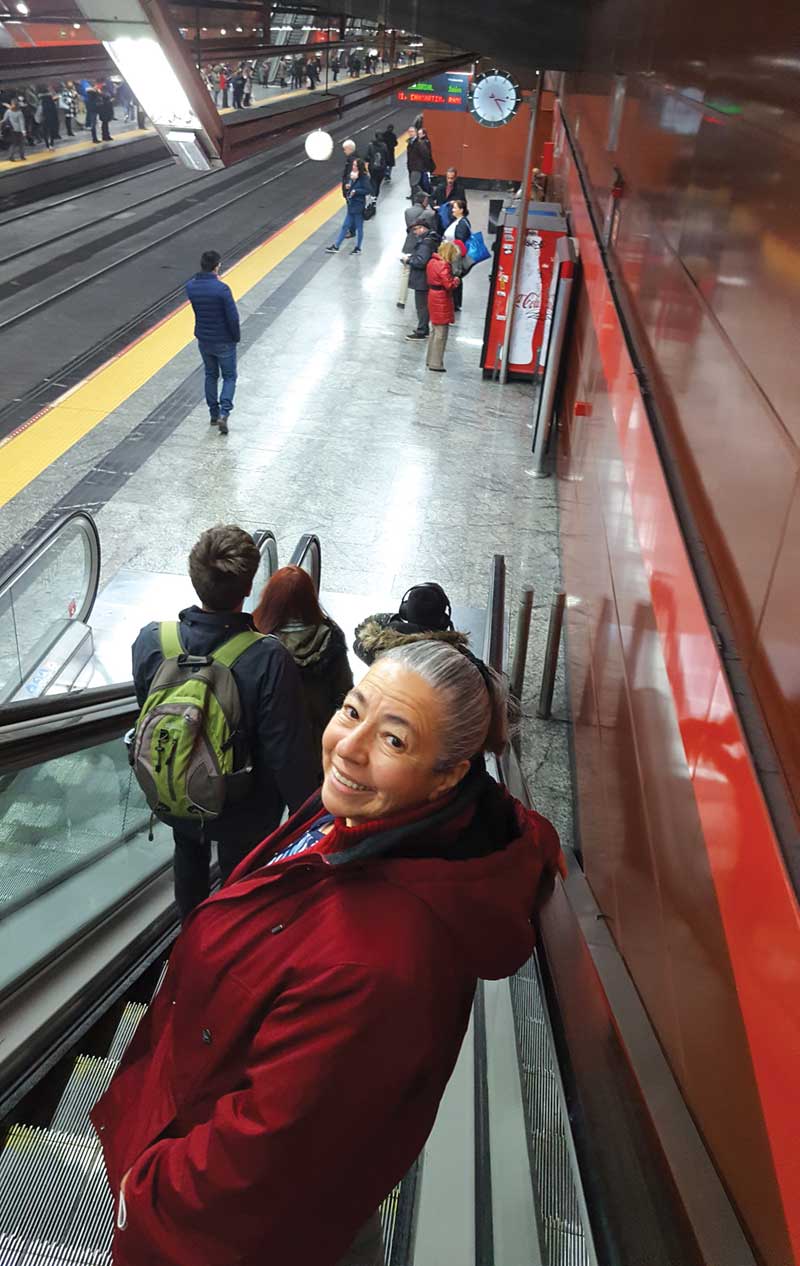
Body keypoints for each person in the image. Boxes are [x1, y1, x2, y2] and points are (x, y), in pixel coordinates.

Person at [91, 638, 563, 1266]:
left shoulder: (376, 965)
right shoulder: (360, 817)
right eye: (351, 710)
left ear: (450, 773)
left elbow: (256, 1167)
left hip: (199, 1215)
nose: (349, 745)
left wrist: (143, 1193)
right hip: (190, 1112)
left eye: (394, 740)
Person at [130, 525, 317, 921]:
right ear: (249, 587)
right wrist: (311, 821)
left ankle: (190, 933)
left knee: (188, 852)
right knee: (239, 874)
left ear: (194, 578)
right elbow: (287, 754)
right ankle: (225, 943)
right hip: (244, 807)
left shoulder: (152, 641)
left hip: (175, 789)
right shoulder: (268, 657)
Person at [253, 565, 353, 780]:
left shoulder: (255, 636)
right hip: (312, 740)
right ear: (310, 597)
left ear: (271, 599)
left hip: (264, 741)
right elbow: (344, 691)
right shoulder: (331, 636)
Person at [185, 250, 241, 433]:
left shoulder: (191, 287)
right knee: (229, 376)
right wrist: (235, 336)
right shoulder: (222, 289)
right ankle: (225, 413)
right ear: (216, 266)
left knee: (210, 375)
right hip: (224, 339)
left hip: (204, 339)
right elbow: (232, 317)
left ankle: (213, 414)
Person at [353, 582, 465, 665]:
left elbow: (360, 632)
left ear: (405, 610)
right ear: (442, 621)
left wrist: (397, 623)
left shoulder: (373, 645)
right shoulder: (452, 655)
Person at [398, 191, 437, 309]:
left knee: (405, 273)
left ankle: (401, 300)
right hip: (422, 246)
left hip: (409, 245)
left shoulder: (408, 211)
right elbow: (434, 229)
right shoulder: (429, 214)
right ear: (424, 200)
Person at [425, 242, 461, 373]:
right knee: (441, 332)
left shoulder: (432, 262)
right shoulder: (443, 265)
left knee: (434, 330)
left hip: (432, 295)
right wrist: (456, 280)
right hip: (441, 298)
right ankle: (436, 363)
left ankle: (430, 359)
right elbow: (449, 285)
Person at [326, 158, 371, 255]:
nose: (353, 167)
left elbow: (368, 190)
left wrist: (356, 191)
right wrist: (349, 188)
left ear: (359, 167)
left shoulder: (364, 178)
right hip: (351, 205)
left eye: (355, 165)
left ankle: (358, 247)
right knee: (345, 226)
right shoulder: (352, 176)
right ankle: (336, 245)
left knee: (359, 227)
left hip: (358, 206)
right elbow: (351, 186)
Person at [404, 221, 440, 340]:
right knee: (424, 305)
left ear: (423, 228)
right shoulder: (433, 238)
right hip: (429, 277)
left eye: (416, 229)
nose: (415, 232)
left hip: (422, 279)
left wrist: (408, 260)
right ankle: (424, 328)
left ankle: (422, 330)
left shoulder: (425, 243)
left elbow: (421, 261)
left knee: (422, 306)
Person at [444, 200, 471, 311]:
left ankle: (455, 302)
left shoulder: (462, 224)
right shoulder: (458, 221)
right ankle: (455, 301)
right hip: (452, 253)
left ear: (461, 210)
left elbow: (459, 242)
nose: (452, 210)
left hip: (455, 255)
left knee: (456, 275)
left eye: (455, 208)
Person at [406, 125, 435, 198]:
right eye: (409, 132)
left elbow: (426, 155)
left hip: (417, 167)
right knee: (415, 183)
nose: (410, 133)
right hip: (412, 167)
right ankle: (418, 196)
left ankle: (423, 197)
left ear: (415, 133)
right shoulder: (410, 142)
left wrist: (425, 166)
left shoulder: (420, 143)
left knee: (415, 184)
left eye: (412, 131)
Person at [366, 131, 388, 198]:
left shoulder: (370, 145)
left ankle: (373, 196)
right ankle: (376, 196)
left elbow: (366, 157)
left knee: (373, 181)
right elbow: (387, 156)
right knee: (378, 183)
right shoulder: (384, 146)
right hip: (382, 168)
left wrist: (370, 160)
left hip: (373, 168)